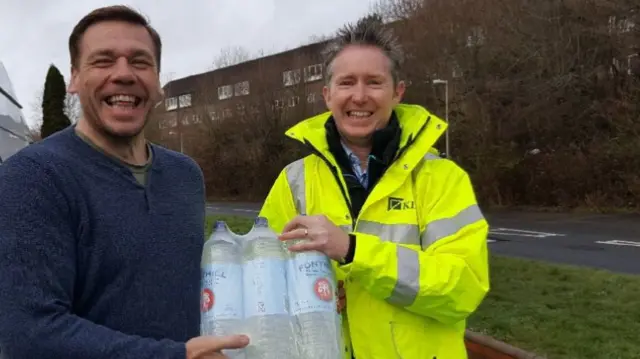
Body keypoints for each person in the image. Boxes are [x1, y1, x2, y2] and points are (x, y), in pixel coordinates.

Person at [0, 6, 248, 359]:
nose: (124, 74)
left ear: (158, 80)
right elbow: (30, 335)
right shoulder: (33, 177)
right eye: (103, 61)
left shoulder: (186, 175)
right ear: (74, 78)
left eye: (140, 61)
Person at [259, 15, 490, 359]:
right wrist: (306, 293)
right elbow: (264, 279)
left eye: (374, 82)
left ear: (398, 92)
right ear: (327, 94)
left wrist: (353, 252)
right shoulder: (294, 181)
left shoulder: (441, 178)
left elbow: (463, 289)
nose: (360, 96)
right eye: (347, 82)